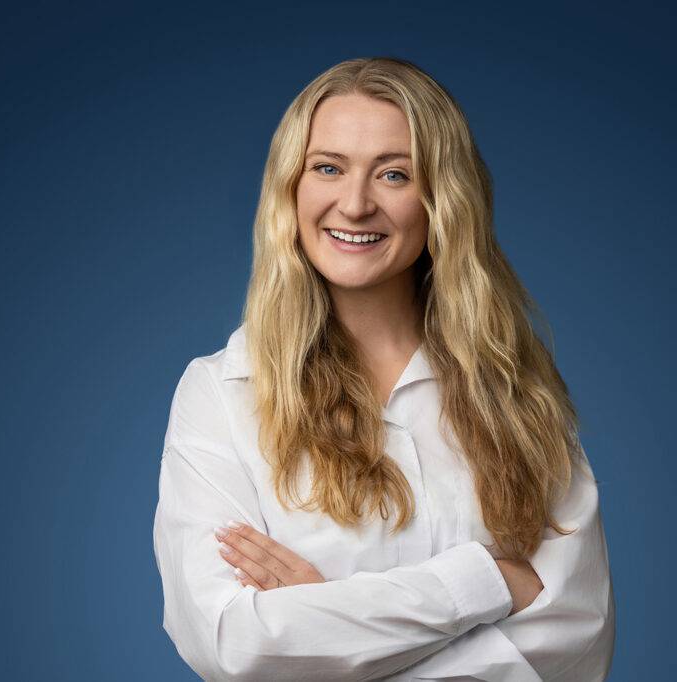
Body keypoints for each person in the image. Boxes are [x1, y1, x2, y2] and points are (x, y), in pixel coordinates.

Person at [152, 56, 615, 681]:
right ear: (291, 187)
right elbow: (234, 644)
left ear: (442, 200)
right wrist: (485, 582)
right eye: (328, 168)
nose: (355, 203)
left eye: (394, 174)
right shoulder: (222, 393)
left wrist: (320, 617)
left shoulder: (515, 392)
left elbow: (572, 647)